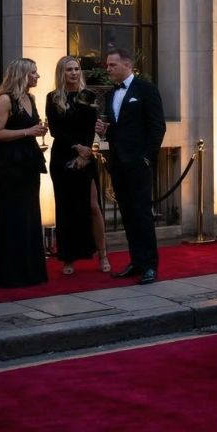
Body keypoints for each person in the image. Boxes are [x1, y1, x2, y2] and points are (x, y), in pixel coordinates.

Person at [95, 49, 166, 285]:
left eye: (112, 65)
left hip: (138, 163)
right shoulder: (110, 94)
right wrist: (106, 131)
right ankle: (136, 261)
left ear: (127, 65)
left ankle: (150, 266)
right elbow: (118, 128)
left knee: (142, 214)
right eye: (107, 65)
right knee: (127, 214)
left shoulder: (146, 89)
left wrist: (147, 157)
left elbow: (157, 127)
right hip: (118, 163)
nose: (108, 69)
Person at [0, 58, 49, 288]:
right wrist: (27, 131)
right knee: (15, 215)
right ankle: (12, 273)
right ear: (22, 74)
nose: (37, 76)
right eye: (34, 72)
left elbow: (31, 128)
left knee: (30, 213)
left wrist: (37, 130)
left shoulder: (30, 98)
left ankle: (30, 270)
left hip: (29, 162)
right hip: (10, 166)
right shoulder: (5, 99)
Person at [46, 56, 109, 275]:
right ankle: (68, 258)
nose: (73, 73)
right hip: (63, 156)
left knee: (93, 206)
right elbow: (55, 130)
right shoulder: (53, 97)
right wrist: (76, 147)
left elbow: (93, 127)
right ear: (61, 73)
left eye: (76, 69)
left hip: (87, 156)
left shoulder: (88, 96)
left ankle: (102, 254)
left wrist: (86, 151)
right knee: (66, 208)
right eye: (68, 69)